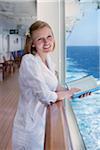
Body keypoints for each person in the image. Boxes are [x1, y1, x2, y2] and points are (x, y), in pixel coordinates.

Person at [12, 20, 83, 150]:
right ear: (33, 44)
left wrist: (75, 92)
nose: (46, 42)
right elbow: (45, 95)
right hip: (30, 127)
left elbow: (55, 88)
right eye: (40, 39)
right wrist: (66, 94)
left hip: (42, 122)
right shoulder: (29, 61)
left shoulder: (48, 59)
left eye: (49, 36)